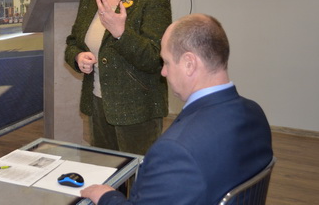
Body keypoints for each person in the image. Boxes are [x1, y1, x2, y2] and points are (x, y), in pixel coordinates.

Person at [81, 14, 273, 205]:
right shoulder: (254, 113)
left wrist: (107, 197)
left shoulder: (175, 150)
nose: (163, 72)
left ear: (189, 64)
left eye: (166, 62)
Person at [65, 0, 172, 155]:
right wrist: (78, 57)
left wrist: (121, 33)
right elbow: (73, 42)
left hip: (138, 108)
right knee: (104, 171)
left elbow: (155, 59)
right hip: (97, 103)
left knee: (136, 174)